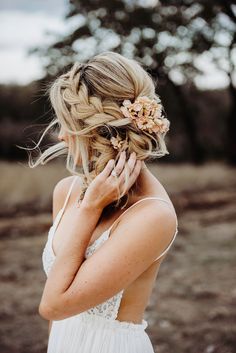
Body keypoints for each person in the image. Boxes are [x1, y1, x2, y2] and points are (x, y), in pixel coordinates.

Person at [33, 51, 178, 352]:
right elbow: (57, 320)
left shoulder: (153, 216)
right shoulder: (66, 191)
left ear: (97, 130)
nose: (60, 136)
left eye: (68, 124)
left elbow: (54, 305)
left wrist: (89, 210)